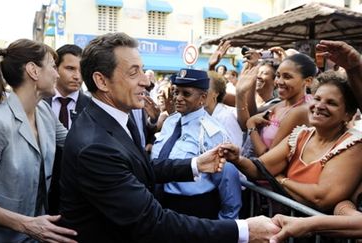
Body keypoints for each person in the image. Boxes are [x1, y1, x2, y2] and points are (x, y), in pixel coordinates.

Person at [58, 32, 279, 243]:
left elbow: (140, 168)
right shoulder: (95, 146)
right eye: (134, 72)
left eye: (142, 70)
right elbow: (152, 223)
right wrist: (243, 230)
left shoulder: (115, 120)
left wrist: (195, 165)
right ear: (102, 81)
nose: (146, 81)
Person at [0, 39, 77, 242]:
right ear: (33, 70)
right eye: (52, 66)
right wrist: (26, 224)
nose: (57, 74)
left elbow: (75, 145)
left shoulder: (44, 112)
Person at [218, 72, 362, 212]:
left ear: (347, 115)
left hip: (320, 234)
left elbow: (321, 199)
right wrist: (237, 159)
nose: (319, 106)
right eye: (317, 99)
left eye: (331, 103)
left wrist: (281, 180)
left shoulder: (352, 145)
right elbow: (259, 169)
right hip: (287, 228)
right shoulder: (300, 135)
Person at [151, 68, 242, 220]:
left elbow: (227, 179)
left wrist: (227, 225)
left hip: (193, 209)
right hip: (160, 204)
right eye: (176, 92)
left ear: (203, 97)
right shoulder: (170, 122)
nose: (178, 98)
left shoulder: (213, 132)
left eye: (186, 93)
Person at [44, 44, 91, 215]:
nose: (77, 76)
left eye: (81, 69)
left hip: (78, 196)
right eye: (70, 68)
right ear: (55, 68)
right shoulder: (38, 103)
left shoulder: (92, 108)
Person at [245, 54, 315, 156]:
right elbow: (253, 114)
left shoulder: (300, 111)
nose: (279, 82)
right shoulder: (282, 104)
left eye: (287, 77)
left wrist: (251, 126)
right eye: (278, 75)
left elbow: (268, 157)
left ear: (308, 81)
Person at [205, 71, 243, 147]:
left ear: (216, 93)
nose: (201, 93)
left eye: (205, 89)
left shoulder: (226, 117)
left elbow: (236, 146)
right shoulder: (199, 113)